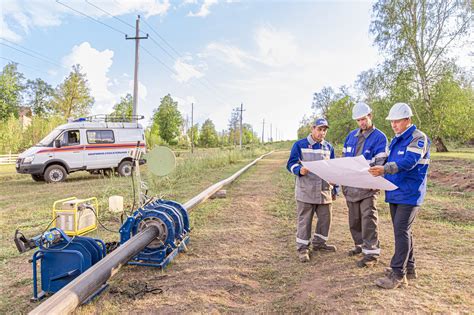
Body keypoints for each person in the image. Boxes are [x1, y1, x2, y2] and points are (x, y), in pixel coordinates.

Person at [368, 102, 431, 289]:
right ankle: (409, 269)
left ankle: (397, 274)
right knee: (404, 231)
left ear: (408, 120)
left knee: (401, 231)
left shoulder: (418, 138)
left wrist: (384, 169)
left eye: (397, 121)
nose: (394, 125)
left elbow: (409, 162)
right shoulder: (395, 139)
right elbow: (385, 159)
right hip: (395, 191)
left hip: (410, 193)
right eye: (392, 122)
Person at [342, 102, 388, 268]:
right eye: (358, 120)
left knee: (368, 219)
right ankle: (360, 246)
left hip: (368, 187)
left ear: (370, 116)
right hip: (351, 187)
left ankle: (371, 254)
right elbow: (345, 160)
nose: (361, 123)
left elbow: (381, 162)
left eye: (364, 119)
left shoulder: (379, 137)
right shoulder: (351, 137)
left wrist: (369, 177)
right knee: (354, 219)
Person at [286, 118, 338, 263]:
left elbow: (333, 170)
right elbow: (290, 164)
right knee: (305, 221)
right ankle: (303, 248)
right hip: (306, 191)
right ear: (312, 128)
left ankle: (319, 244)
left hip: (324, 191)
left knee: (325, 220)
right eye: (319, 129)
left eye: (324, 130)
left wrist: (335, 190)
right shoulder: (300, 145)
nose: (322, 132)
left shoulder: (329, 147)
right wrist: (298, 170)